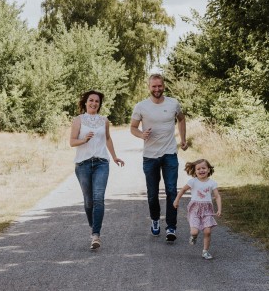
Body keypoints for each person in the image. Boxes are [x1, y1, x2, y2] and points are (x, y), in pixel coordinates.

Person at [130, 73, 188, 242]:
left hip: (170, 153)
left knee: (171, 190)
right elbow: (133, 128)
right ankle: (155, 219)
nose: (157, 89)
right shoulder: (141, 106)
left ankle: (171, 227)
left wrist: (183, 139)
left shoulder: (173, 103)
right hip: (150, 156)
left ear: (164, 86)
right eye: (154, 86)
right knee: (153, 194)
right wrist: (141, 134)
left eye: (159, 86)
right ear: (149, 87)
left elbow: (181, 119)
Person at [70, 90, 124, 250]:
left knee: (99, 198)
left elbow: (107, 138)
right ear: (85, 102)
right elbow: (72, 142)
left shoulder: (104, 120)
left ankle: (96, 235)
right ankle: (93, 226)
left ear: (99, 105)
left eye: (97, 101)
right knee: (89, 201)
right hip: (83, 164)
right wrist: (84, 140)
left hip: (101, 163)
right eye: (91, 100)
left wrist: (114, 157)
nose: (94, 103)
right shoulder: (78, 120)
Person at [173, 159, 222, 260]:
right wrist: (176, 200)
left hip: (207, 210)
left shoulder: (212, 183)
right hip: (194, 210)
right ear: (195, 171)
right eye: (198, 169)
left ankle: (205, 251)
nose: (201, 170)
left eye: (203, 168)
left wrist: (219, 209)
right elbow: (182, 190)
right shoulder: (192, 182)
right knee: (194, 232)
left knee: (207, 231)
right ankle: (194, 236)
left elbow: (217, 196)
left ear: (208, 170)